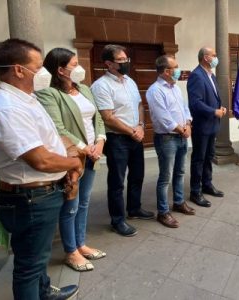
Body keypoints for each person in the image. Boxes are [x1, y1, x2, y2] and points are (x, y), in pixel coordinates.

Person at [0, 38, 81, 300]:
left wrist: (68, 152)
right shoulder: (6, 108)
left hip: (40, 193)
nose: (43, 73)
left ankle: (44, 293)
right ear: (18, 69)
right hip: (31, 197)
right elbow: (40, 160)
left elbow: (49, 138)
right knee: (29, 265)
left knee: (38, 255)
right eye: (38, 67)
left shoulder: (25, 99)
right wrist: (73, 162)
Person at [36, 48, 107, 272]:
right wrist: (85, 148)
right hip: (72, 156)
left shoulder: (84, 89)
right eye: (74, 65)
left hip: (92, 153)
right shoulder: (49, 93)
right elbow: (58, 127)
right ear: (60, 69)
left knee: (84, 202)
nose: (79, 69)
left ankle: (81, 243)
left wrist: (100, 141)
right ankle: (71, 251)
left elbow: (98, 120)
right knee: (70, 204)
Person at [91, 44, 154, 237]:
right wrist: (131, 131)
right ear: (109, 63)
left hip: (136, 134)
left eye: (127, 59)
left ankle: (134, 209)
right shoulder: (101, 86)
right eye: (121, 61)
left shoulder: (130, 81)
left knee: (137, 175)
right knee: (117, 181)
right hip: (117, 138)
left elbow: (139, 106)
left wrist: (141, 126)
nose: (126, 63)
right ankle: (118, 220)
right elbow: (107, 117)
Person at [146, 55, 196, 228]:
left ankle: (179, 201)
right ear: (166, 71)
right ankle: (163, 212)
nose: (178, 70)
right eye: (175, 67)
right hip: (167, 138)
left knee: (180, 172)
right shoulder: (155, 90)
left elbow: (184, 108)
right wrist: (181, 129)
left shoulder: (174, 88)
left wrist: (188, 124)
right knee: (165, 176)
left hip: (182, 135)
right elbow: (163, 117)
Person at [186, 47, 226, 207]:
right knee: (199, 158)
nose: (216, 58)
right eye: (214, 55)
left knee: (209, 156)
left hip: (212, 125)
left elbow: (214, 97)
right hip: (202, 125)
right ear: (205, 58)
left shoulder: (211, 75)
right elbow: (195, 103)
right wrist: (214, 111)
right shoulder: (196, 75)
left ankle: (207, 184)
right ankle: (195, 192)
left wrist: (220, 107)